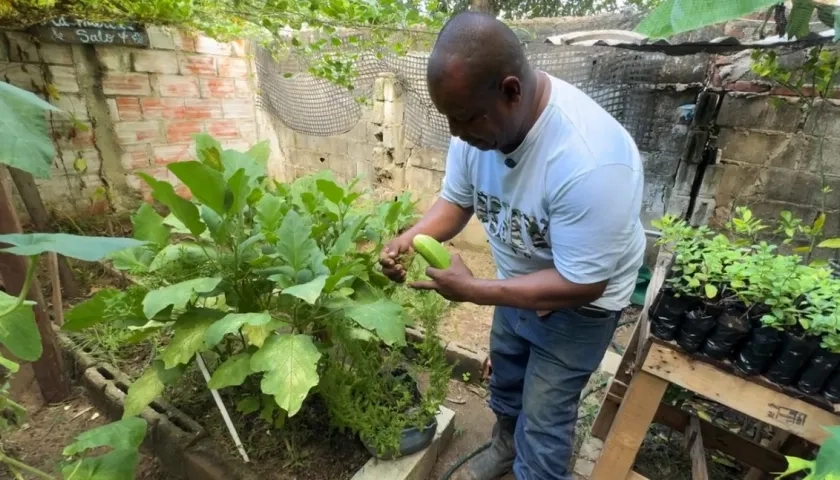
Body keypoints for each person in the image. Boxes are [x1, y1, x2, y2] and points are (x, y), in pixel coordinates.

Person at [378, 11, 646, 480]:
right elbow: (457, 202)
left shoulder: (590, 160)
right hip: (516, 282)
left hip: (580, 306)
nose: (457, 134)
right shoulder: (477, 128)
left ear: (510, 91)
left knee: (545, 417)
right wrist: (409, 237)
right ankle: (504, 444)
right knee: (507, 378)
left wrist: (475, 289)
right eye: (449, 119)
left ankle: (533, 469)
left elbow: (582, 284)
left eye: (464, 119)